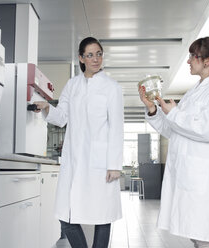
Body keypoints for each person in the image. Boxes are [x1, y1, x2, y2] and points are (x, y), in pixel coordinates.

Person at [138, 36, 209, 248]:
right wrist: (153, 109)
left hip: (201, 175)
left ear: (207, 61)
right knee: (195, 233)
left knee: (203, 234)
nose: (188, 61)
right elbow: (173, 129)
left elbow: (208, 130)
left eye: (193, 56)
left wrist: (174, 113)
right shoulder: (194, 92)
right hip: (186, 173)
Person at [33, 37, 124, 248]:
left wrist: (115, 165)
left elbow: (117, 127)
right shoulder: (72, 85)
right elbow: (62, 117)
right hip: (74, 161)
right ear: (81, 58)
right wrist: (47, 107)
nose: (95, 59)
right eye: (90, 55)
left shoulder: (112, 87)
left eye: (99, 54)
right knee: (65, 216)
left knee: (102, 215)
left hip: (100, 162)